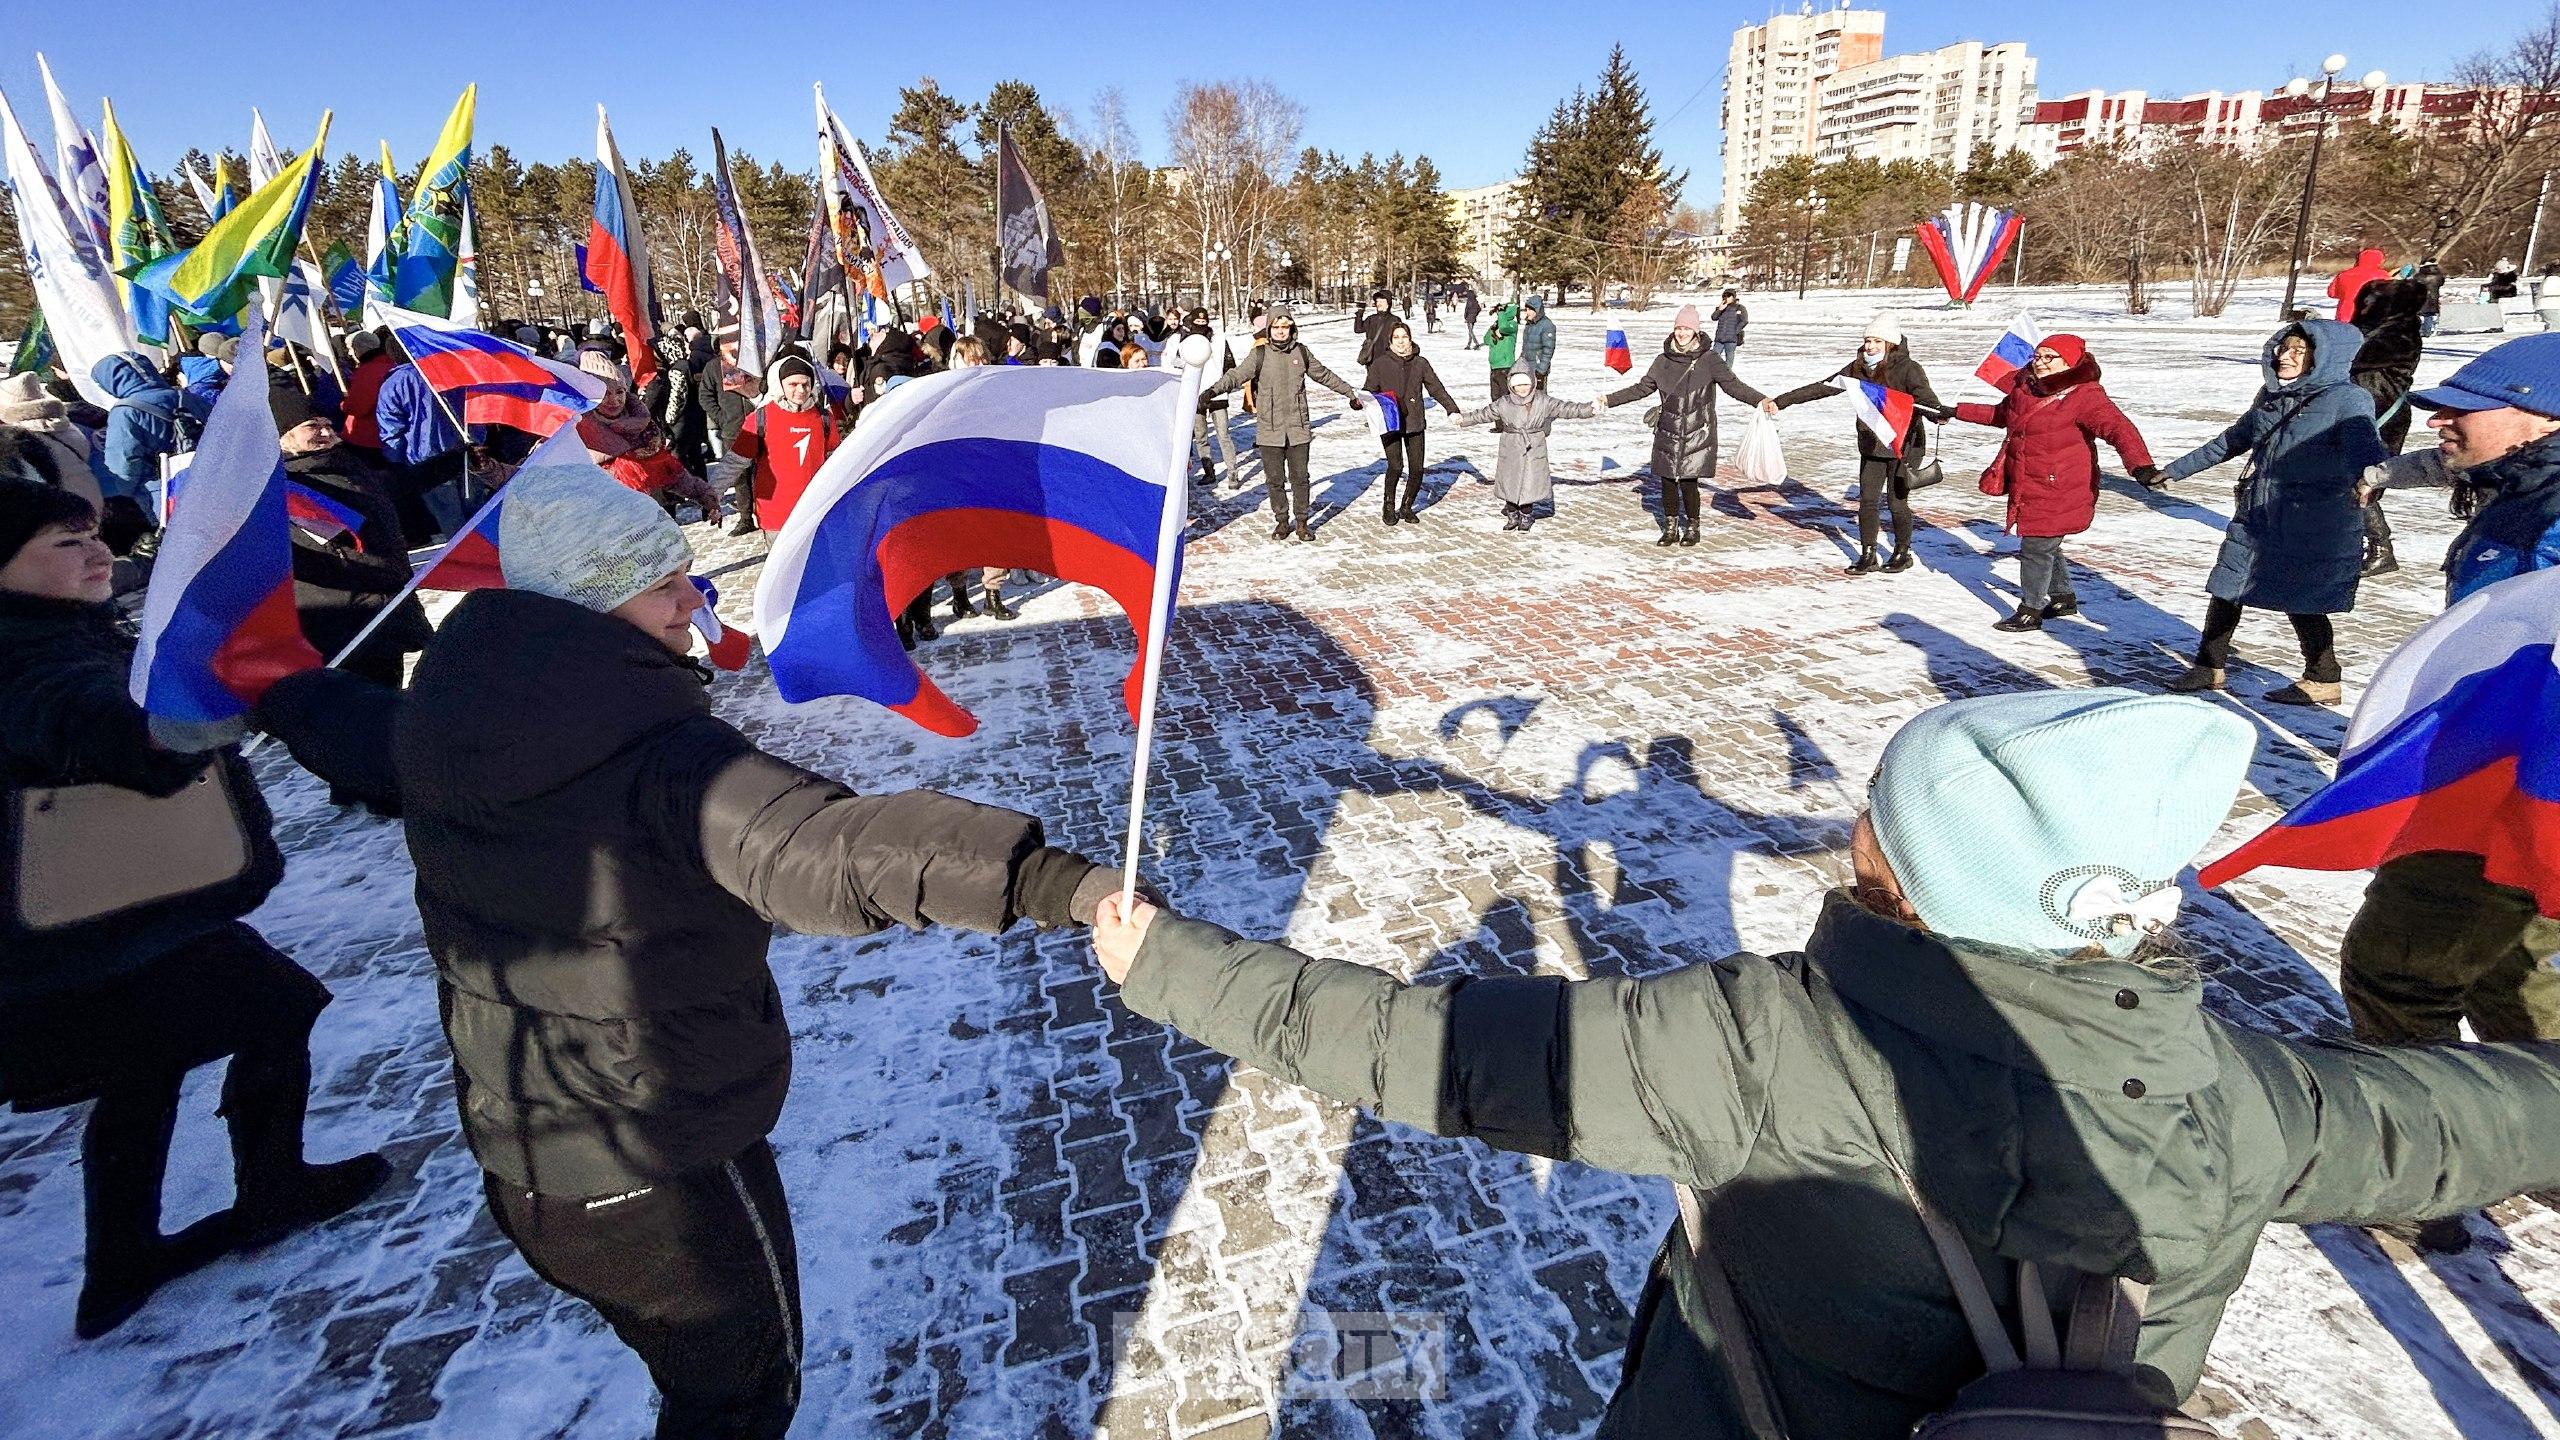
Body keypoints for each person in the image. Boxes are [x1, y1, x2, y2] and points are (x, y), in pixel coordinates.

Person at [1089, 686, 2560, 1439]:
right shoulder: (2247, 1100)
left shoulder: (1763, 1050)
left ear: (1938, 874)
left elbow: (1420, 1047)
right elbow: (2459, 1120)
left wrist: (1158, 959)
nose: (1852, 827)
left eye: (1883, 816)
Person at [380, 460, 1121, 1438]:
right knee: (738, 1397)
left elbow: (335, 727)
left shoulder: (454, 711)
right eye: (664, 586)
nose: (694, 600)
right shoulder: (649, 757)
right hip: (656, 1168)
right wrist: (1049, 881)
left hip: (525, 1154)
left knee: (705, 1389)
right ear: (591, 605)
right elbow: (826, 849)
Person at [0, 478, 390, 1341]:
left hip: (92, 922)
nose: (97, 551)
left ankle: (122, 1261)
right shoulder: (27, 656)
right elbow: (92, 725)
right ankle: (271, 1190)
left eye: (94, 532)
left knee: (144, 1065)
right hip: (97, 927)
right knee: (279, 1006)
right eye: (67, 543)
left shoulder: (54, 628)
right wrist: (195, 713)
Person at [2157, 320, 2386, 704]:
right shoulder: (2271, 396)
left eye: (2298, 350)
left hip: (2312, 517)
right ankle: (2208, 666)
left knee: (2301, 596)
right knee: (2228, 585)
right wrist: (2175, 471)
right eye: (2284, 347)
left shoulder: (2348, 400)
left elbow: (2367, 453)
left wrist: (2370, 479)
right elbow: (2232, 439)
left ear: (2322, 357)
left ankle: (2324, 677)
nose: (2285, 356)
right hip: (2258, 510)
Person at [1949, 334, 2156, 634]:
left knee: (2036, 546)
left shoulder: (2084, 395)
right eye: (2038, 356)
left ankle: (2030, 611)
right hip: (2029, 481)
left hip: (2061, 486)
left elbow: (2119, 429)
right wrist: (1955, 411)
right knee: (2044, 540)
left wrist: (2141, 466)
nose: (2040, 363)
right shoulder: (2026, 387)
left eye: (2050, 358)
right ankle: (2063, 599)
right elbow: (2001, 414)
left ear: (2069, 362)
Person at [271, 380, 431, 690]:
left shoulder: (346, 465)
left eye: (327, 423)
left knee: (388, 699)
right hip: (339, 625)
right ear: (282, 437)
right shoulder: (272, 491)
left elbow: (395, 486)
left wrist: (456, 461)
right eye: (312, 426)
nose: (327, 432)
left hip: (386, 611)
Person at [1772, 315, 1943, 571]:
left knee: (1897, 502)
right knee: (1868, 500)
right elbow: (1824, 387)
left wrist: (1937, 413)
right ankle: (1868, 553)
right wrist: (1782, 401)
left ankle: (1902, 552)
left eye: (1876, 341)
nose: (1870, 346)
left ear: (1890, 343)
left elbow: (1925, 398)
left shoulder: (1909, 368)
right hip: (1872, 443)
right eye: (1867, 341)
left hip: (1903, 444)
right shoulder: (1858, 367)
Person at [1610, 304, 1777, 548]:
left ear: (1696, 332)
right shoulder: (1662, 361)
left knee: (1689, 482)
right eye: (1678, 328)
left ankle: (1692, 527)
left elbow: (1733, 385)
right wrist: (1609, 400)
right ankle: (1670, 528)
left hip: (1698, 431)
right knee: (1667, 480)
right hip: (1668, 429)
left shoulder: (1710, 360)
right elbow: (1641, 388)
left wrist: (1760, 399)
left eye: (1686, 328)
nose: (1681, 333)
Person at [1200, 305, 1364, 543]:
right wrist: (1213, 391)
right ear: (1269, 328)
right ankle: (1281, 521)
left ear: (1292, 328)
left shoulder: (1302, 353)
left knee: (1300, 478)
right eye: (1275, 327)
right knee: (1275, 480)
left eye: (1284, 326)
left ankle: (1302, 522)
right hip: (1270, 429)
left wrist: (1350, 393)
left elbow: (1325, 375)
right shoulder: (1260, 354)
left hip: (1298, 428)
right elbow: (1236, 376)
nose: (1280, 331)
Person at [1451, 366, 1609, 534]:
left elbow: (1567, 409)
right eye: (1518, 385)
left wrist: (1590, 408)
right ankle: (1512, 514)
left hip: (1534, 445)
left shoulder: (1543, 401)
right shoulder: (1504, 403)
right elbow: (1483, 414)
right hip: (1511, 445)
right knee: (1510, 481)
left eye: (1525, 384)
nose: (1522, 389)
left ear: (1532, 383)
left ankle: (1526, 515)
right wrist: (1463, 419)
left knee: (1530, 481)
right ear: (1511, 386)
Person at [2347, 276, 2430, 577]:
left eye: (2373, 301)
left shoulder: (2400, 334)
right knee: (2345, 475)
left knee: (2364, 476)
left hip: (2382, 413)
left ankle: (2381, 549)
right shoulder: (2378, 330)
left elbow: (2355, 358)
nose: (2366, 306)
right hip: (2359, 408)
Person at [576, 353, 723, 521]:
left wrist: (706, 498)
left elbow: (672, 473)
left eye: (619, 392)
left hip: (646, 522)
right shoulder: (576, 433)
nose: (614, 400)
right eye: (605, 394)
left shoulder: (644, 431)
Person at [708, 355, 840, 539]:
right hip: (776, 517)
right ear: (780, 385)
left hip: (815, 513)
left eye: (806, 384)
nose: (801, 390)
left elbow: (839, 462)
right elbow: (733, 464)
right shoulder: (761, 418)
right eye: (793, 384)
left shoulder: (824, 418)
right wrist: (710, 497)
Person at [1359, 321, 1463, 526]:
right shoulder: (1380, 363)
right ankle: (1388, 506)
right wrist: (1358, 402)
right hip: (1390, 422)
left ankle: (1407, 506)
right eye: (1396, 338)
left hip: (1414, 421)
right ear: (1390, 341)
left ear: (1410, 339)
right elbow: (1369, 390)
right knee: (1396, 466)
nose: (1400, 342)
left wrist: (1451, 408)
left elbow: (1436, 388)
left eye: (1404, 337)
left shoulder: (1420, 363)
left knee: (1417, 469)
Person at [374, 342, 467, 545]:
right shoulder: (449, 370)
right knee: (476, 512)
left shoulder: (395, 383)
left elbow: (390, 428)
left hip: (427, 461)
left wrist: (395, 461)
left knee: (452, 520)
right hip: (463, 451)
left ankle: (475, 562)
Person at [338, 330, 393, 454]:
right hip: (388, 432)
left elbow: (358, 407)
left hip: (368, 437)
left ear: (359, 349)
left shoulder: (368, 372)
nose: (349, 353)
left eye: (350, 349)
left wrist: (344, 404)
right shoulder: (391, 364)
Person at [2327, 246, 2391, 324]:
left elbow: (2332, 293)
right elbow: (2389, 295)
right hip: (2370, 314)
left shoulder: (2344, 275)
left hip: (2345, 315)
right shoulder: (2382, 275)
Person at [1516, 294, 1557, 391]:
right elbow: (1525, 347)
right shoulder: (1529, 324)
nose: (1527, 312)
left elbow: (1548, 350)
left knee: (1539, 400)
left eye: (1530, 310)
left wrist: (1541, 371)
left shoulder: (1547, 325)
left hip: (1538, 369)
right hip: (1527, 368)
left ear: (1537, 310)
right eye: (1526, 309)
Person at [1481, 296, 1519, 399]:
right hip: (1494, 367)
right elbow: (1486, 340)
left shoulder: (1513, 325)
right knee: (1495, 399)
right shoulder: (1498, 323)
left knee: (1505, 399)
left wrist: (1501, 314)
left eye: (1502, 309)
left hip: (1505, 366)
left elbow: (1503, 328)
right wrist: (1493, 329)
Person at [1353, 289, 1401, 366]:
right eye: (1377, 302)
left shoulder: (1395, 320)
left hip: (1388, 359)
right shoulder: (1371, 319)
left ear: (1388, 303)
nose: (1378, 304)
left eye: (1381, 301)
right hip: (1372, 359)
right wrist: (1360, 313)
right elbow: (1358, 329)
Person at [1710, 288, 1748, 366]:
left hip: (1731, 339)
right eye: (1724, 296)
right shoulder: (1721, 307)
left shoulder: (1739, 308)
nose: (1726, 298)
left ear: (1733, 297)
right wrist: (1720, 310)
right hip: (1719, 338)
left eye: (1729, 296)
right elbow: (1714, 318)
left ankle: (1727, 376)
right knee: (1713, 358)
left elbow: (1744, 321)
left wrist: (1736, 331)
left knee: (1729, 361)